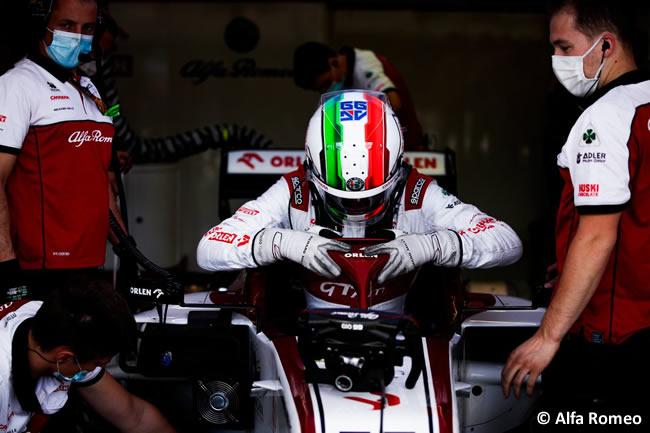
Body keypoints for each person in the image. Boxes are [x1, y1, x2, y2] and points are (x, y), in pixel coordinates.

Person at [197, 90, 522, 313]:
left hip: (405, 342)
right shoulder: (293, 190)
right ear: (312, 169)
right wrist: (279, 241)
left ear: (396, 169)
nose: (356, 209)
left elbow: (507, 242)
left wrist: (433, 245)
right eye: (342, 198)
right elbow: (209, 248)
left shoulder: (418, 191)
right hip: (304, 342)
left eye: (369, 198)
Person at [501, 0, 649, 422]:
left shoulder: (605, 118)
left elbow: (597, 234)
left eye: (564, 47)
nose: (557, 60)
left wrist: (548, 337)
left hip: (613, 338)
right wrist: (569, 266)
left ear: (605, 45)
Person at [0, 0, 128, 299]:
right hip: (37, 269)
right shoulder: (16, 85)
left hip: (89, 265)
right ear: (41, 26)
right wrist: (5, 264)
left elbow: (99, 183)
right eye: (66, 26)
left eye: (87, 28)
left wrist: (128, 249)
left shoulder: (89, 89)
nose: (77, 36)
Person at [0, 281, 177, 433]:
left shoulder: (63, 326)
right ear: (63, 358)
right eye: (98, 363)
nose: (101, 369)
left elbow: (136, 417)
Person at [293, 42, 426, 150]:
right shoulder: (340, 81)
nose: (325, 90)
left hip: (409, 148)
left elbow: (394, 102)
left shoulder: (365, 64)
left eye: (326, 83)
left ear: (334, 62)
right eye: (319, 89)